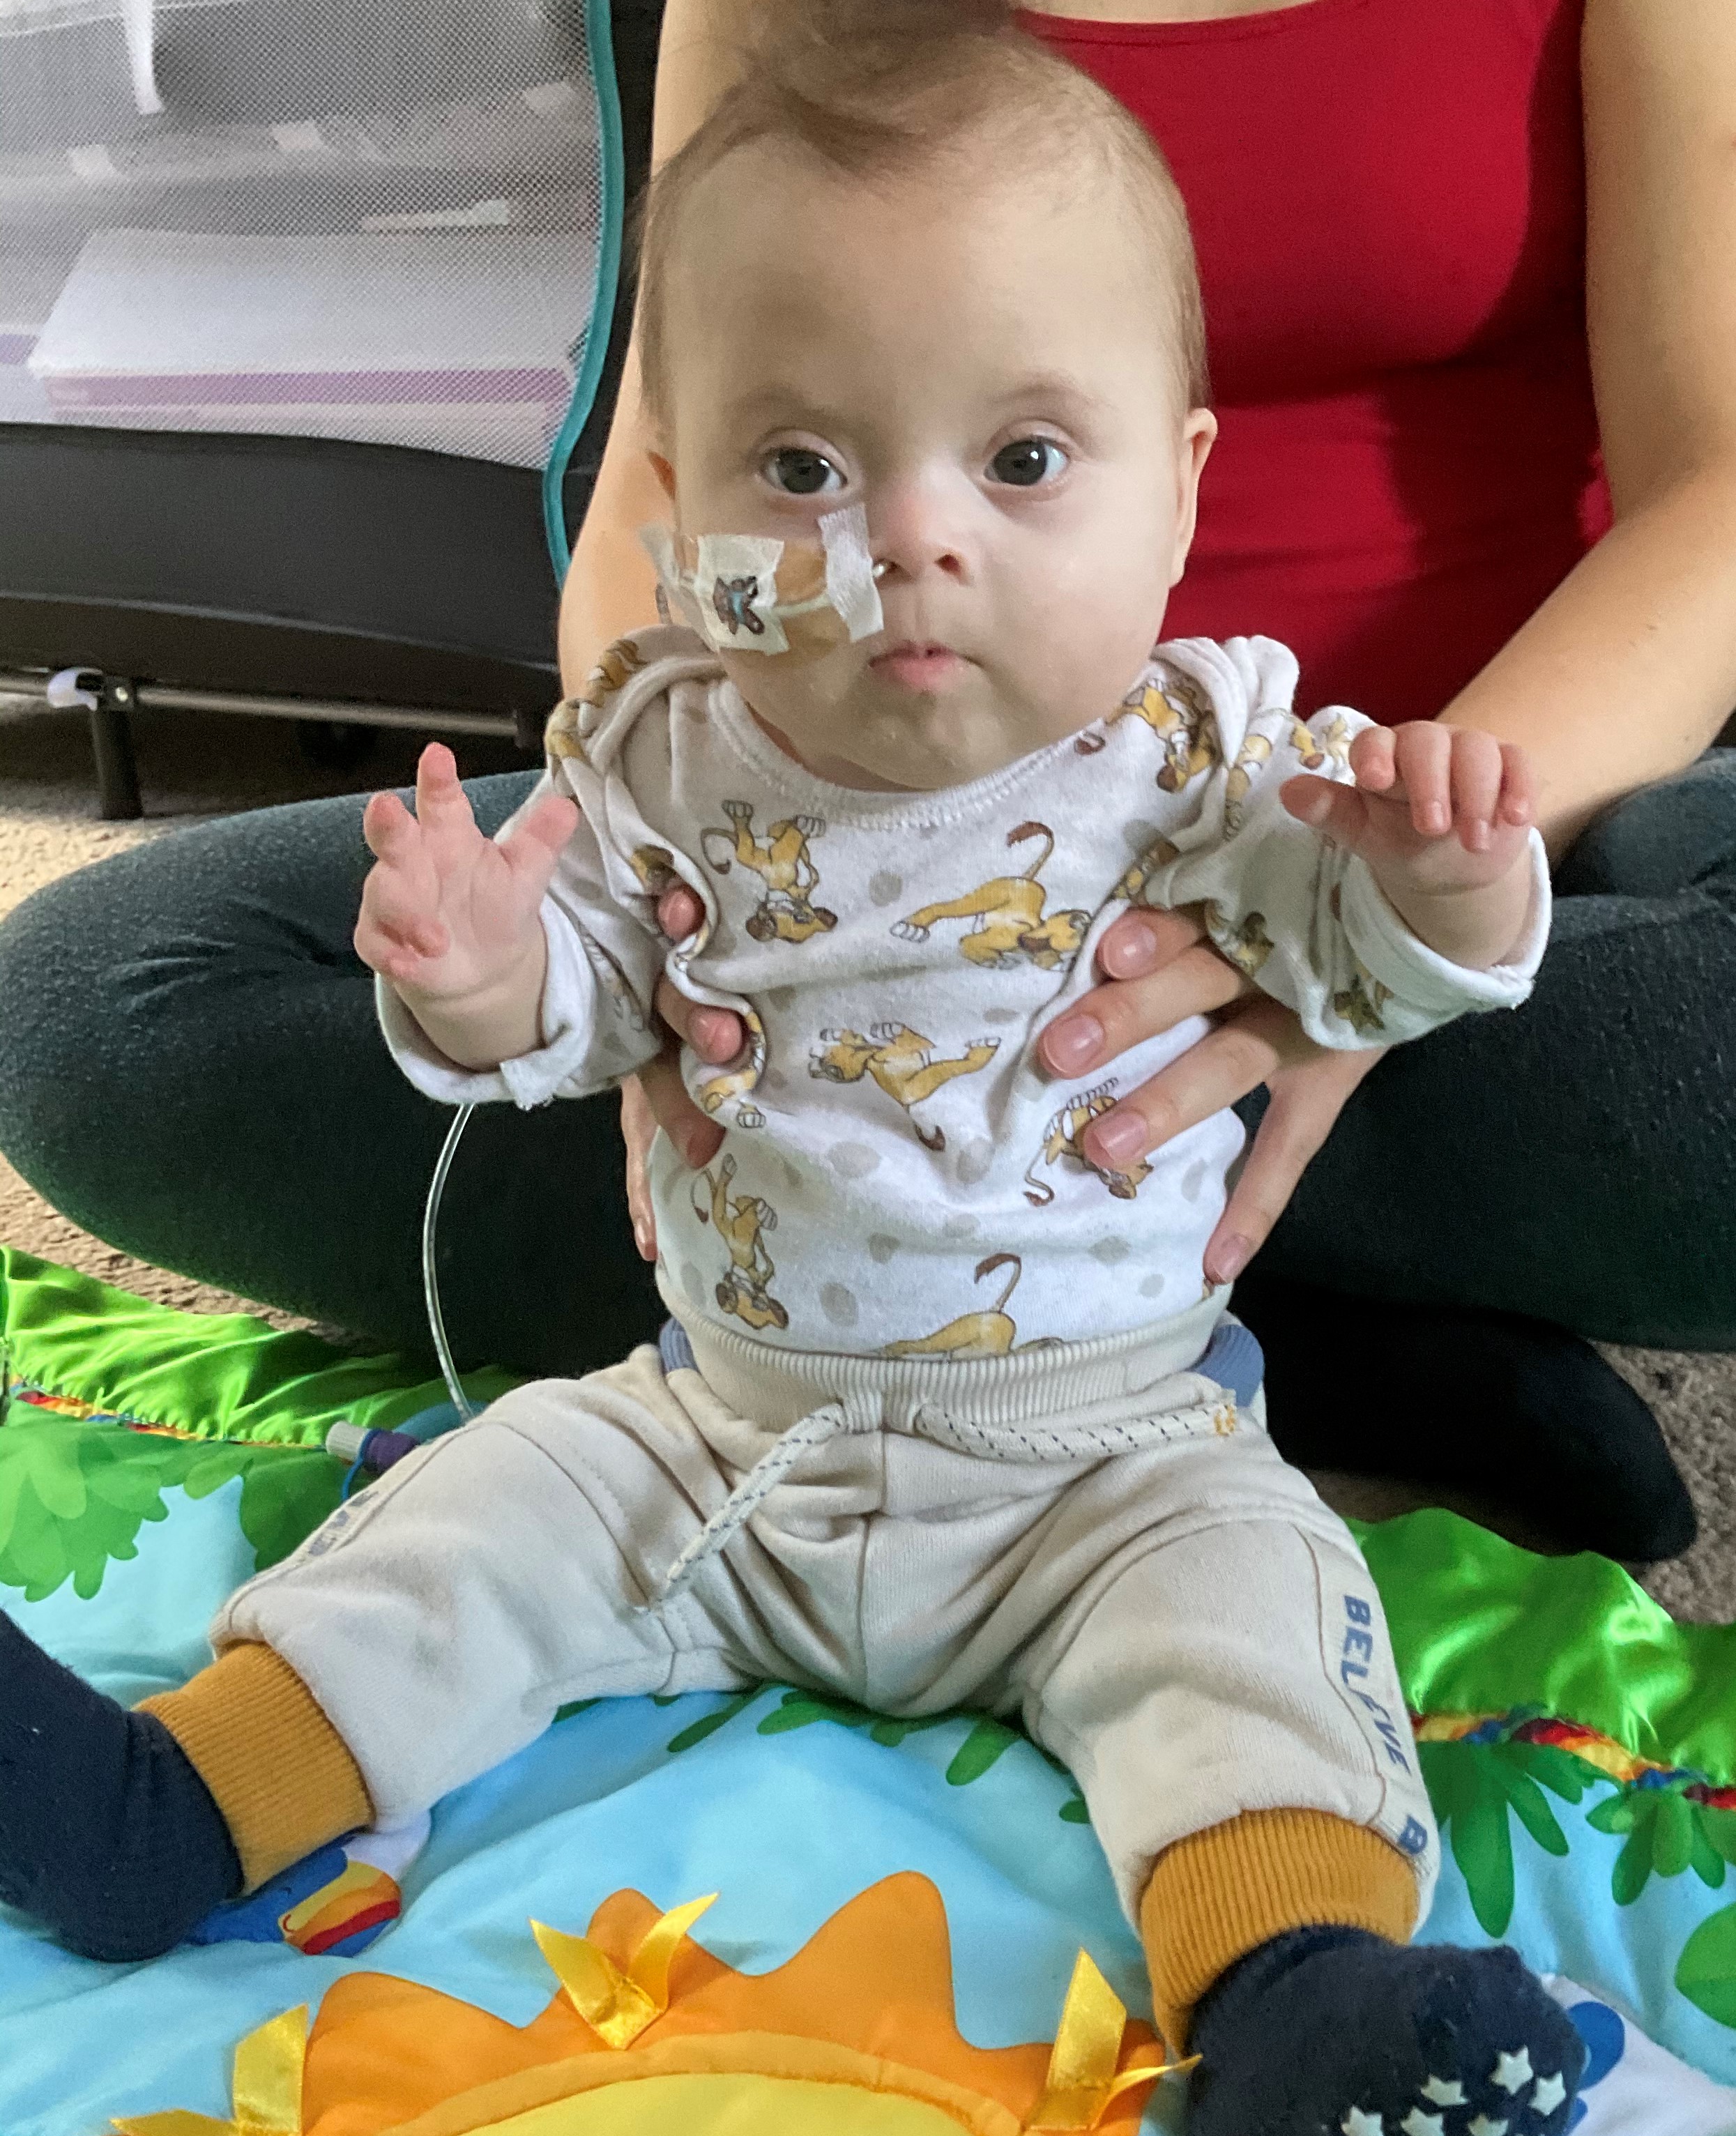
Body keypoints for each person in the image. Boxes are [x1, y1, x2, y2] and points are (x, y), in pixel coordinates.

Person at [0, 16, 1587, 2136]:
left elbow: (1369, 958)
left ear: (1185, 483)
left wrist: (1441, 869)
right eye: (805, 469)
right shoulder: (665, 749)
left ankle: (1300, 1993)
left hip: (1104, 1452)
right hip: (720, 1430)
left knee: (1249, 1635)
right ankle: (164, 1809)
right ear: (679, 498)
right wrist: (479, 967)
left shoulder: (1209, 753)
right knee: (473, 1527)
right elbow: (575, 1003)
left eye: (1026, 461)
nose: (909, 541)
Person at [0, 0, 1731, 1558]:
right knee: (92, 1005)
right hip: (836, 843)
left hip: (1475, 849)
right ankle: (1266, 1325)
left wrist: (1386, 925)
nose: (915, 532)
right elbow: (664, 482)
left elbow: (1715, 492)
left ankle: (1047, 1248)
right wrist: (659, 899)